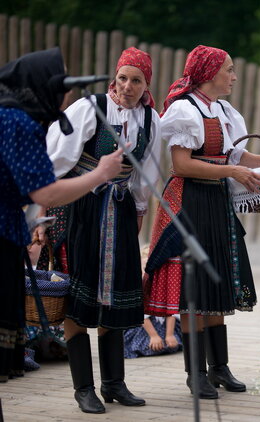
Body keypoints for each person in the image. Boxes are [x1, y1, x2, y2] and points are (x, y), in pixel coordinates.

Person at [144, 45, 260, 399]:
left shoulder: (223, 110)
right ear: (208, 73)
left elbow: (233, 153)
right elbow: (182, 165)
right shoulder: (184, 110)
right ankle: (197, 373)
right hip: (190, 202)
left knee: (216, 283)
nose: (233, 77)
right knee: (196, 291)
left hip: (216, 201)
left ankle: (219, 367)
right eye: (229, 70)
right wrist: (233, 170)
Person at [46, 47, 162, 413]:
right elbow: (56, 159)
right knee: (79, 299)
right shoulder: (89, 107)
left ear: (147, 85)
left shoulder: (149, 119)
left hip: (122, 212)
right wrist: (42, 210)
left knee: (115, 296)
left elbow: (148, 171)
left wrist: (139, 209)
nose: (128, 86)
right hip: (80, 209)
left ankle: (114, 383)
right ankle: (84, 388)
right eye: (123, 78)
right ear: (115, 77)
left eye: (137, 80)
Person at [0, 48, 124, 384]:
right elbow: (46, 193)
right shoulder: (18, 123)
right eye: (62, 82)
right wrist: (101, 174)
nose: (68, 92)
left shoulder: (14, 119)